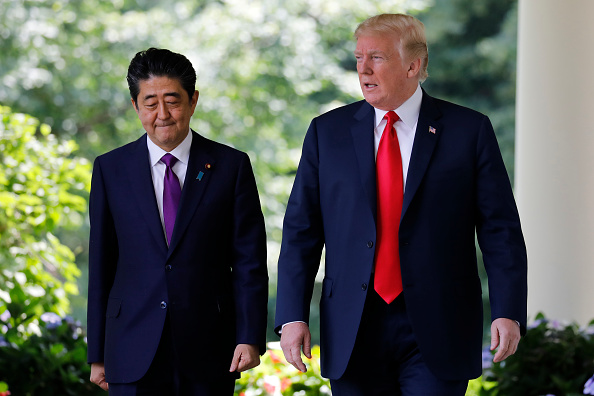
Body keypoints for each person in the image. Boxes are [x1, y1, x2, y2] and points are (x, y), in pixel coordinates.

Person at [275, 13, 527, 395]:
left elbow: (500, 230)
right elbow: (301, 232)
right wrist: (292, 315)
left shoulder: (468, 131)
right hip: (353, 324)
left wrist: (508, 310)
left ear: (414, 65)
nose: (363, 70)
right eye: (359, 58)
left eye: (376, 57)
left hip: (440, 322)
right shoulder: (327, 133)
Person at [87, 48, 268, 395]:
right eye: (150, 102)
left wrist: (249, 337)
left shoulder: (231, 167)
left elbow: (249, 263)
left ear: (193, 100)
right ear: (135, 106)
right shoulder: (110, 169)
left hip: (209, 347)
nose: (163, 114)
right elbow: (101, 264)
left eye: (172, 100)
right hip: (130, 346)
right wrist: (97, 353)